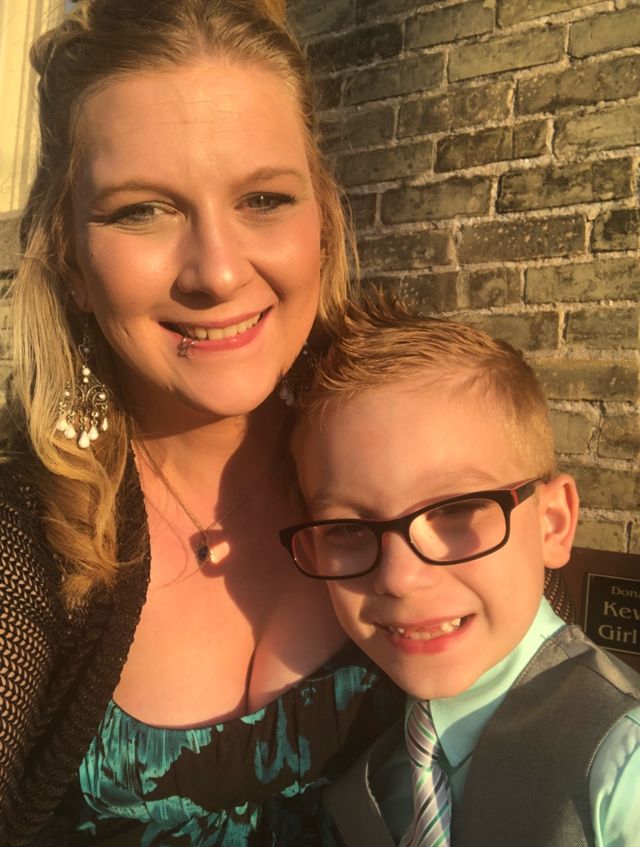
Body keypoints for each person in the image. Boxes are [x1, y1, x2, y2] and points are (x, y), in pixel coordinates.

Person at [0, 2, 405, 844]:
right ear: (70, 257)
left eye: (264, 198)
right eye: (143, 210)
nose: (217, 272)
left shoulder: (419, 455)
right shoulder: (23, 529)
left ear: (322, 224)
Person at [280, 298, 640, 847]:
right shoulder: (364, 752)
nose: (399, 577)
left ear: (552, 523)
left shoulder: (623, 769)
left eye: (455, 510)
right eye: (346, 529)